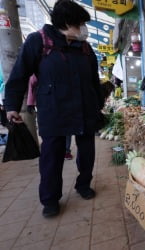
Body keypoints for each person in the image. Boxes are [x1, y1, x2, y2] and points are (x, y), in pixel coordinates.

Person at [4, 0, 105, 218]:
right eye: (80, 24)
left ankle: (83, 184)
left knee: (87, 151)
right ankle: (50, 199)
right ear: (68, 23)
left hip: (85, 108)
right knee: (52, 156)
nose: (84, 29)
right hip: (54, 110)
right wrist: (12, 106)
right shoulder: (38, 41)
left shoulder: (85, 48)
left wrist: (99, 106)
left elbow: (94, 81)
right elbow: (19, 75)